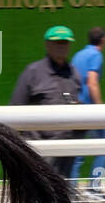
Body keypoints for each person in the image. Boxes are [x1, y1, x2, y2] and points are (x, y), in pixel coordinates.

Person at [9, 25, 81, 182]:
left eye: (65, 43)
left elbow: (74, 103)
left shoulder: (74, 73)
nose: (62, 46)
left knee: (65, 198)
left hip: (67, 151)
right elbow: (15, 109)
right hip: (40, 151)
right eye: (57, 42)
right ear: (47, 44)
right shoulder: (33, 72)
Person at [69, 27, 105, 202]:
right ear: (103, 40)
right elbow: (92, 81)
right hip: (89, 109)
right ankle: (94, 189)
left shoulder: (79, 55)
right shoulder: (96, 55)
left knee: (78, 153)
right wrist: (99, 109)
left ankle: (71, 192)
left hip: (75, 107)